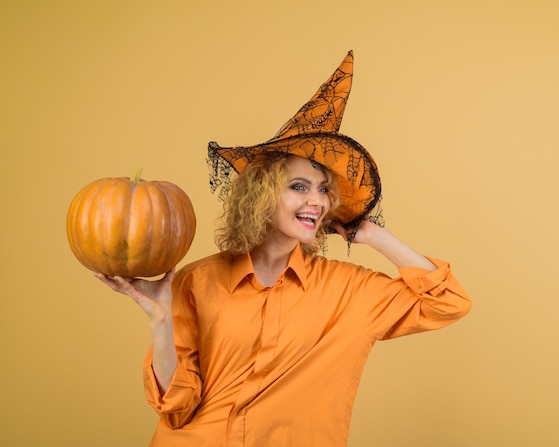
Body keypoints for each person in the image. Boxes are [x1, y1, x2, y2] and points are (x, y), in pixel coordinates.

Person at [96, 51, 471, 447]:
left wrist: (374, 235)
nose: (318, 201)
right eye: (299, 187)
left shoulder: (351, 291)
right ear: (262, 194)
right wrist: (159, 320)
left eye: (324, 190)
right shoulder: (196, 280)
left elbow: (448, 302)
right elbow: (177, 405)